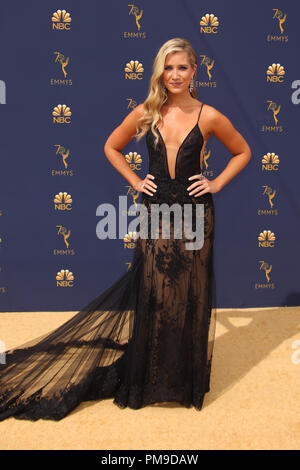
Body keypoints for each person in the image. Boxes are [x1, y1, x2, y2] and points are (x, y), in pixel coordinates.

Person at [0, 38, 251, 421]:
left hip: (195, 213)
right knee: (154, 292)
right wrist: (136, 182)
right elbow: (111, 146)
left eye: (182, 67)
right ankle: (148, 377)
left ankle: (183, 381)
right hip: (155, 212)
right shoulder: (147, 112)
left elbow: (243, 151)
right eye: (168, 68)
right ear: (160, 73)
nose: (175, 75)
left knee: (190, 293)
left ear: (195, 71)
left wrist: (215, 183)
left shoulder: (210, 116)